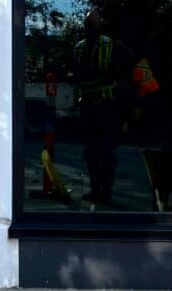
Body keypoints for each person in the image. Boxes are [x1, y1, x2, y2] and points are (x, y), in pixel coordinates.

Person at [75, 8, 131, 205]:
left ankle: (105, 192)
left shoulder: (112, 46)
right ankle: (95, 190)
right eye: (87, 24)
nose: (89, 27)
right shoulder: (80, 47)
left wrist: (124, 111)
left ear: (99, 26)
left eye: (92, 23)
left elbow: (125, 78)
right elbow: (77, 77)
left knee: (106, 153)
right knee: (91, 153)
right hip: (90, 109)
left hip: (107, 109)